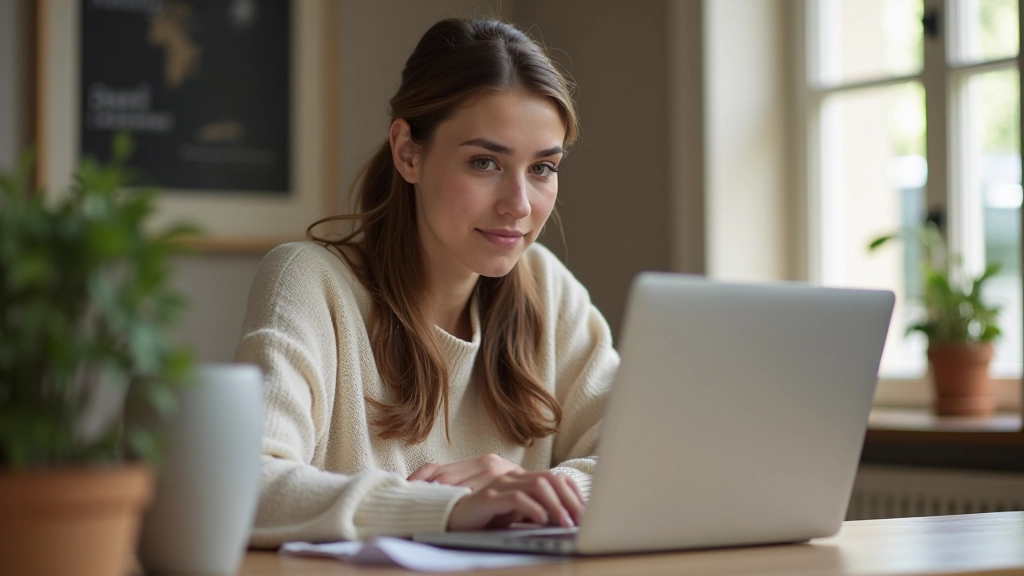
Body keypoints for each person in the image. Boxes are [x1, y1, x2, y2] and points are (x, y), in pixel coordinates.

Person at [236, 17, 619, 547]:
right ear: (408, 152)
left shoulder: (546, 289)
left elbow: (651, 461)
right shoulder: (311, 283)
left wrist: (550, 490)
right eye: (485, 162)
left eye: (542, 169)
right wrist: (448, 508)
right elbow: (244, 486)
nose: (519, 205)